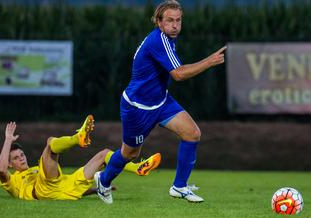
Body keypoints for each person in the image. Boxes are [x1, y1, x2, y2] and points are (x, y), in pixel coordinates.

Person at [94, 0, 226, 204]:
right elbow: (178, 75)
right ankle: (103, 181)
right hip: (137, 108)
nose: (175, 25)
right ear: (159, 22)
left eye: (178, 20)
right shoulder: (158, 40)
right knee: (129, 154)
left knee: (192, 134)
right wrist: (209, 61)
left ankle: (179, 186)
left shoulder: (168, 39)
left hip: (161, 102)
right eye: (170, 20)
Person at [0, 115, 161, 200]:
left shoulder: (35, 170)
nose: (21, 158)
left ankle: (137, 168)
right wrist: (7, 140)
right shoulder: (13, 181)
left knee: (104, 154)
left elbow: (65, 188)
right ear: (11, 164)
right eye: (16, 158)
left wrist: (95, 191)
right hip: (43, 192)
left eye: (21, 154)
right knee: (49, 144)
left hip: (66, 187)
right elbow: (1, 169)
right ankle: (78, 138)